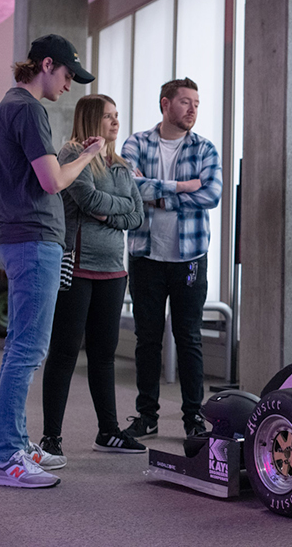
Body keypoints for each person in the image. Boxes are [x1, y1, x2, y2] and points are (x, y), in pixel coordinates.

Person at [0, 34, 101, 488]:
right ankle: (6, 456)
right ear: (47, 64)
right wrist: (87, 156)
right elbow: (52, 181)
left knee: (21, 348)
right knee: (28, 351)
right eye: (68, 74)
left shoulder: (14, 105)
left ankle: (13, 442)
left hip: (28, 239)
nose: (70, 85)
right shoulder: (27, 107)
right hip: (32, 239)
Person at [40, 95, 146, 459]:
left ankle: (109, 431)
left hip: (113, 271)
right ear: (90, 119)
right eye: (107, 117)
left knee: (104, 354)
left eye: (117, 116)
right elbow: (89, 201)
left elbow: (137, 216)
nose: (115, 123)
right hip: (78, 266)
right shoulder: (72, 155)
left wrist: (110, 213)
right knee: (66, 351)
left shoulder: (120, 164)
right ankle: (51, 437)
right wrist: (114, 209)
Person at [121, 78, 222, 439]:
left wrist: (158, 194)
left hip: (190, 257)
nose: (193, 109)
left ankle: (194, 418)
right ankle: (146, 415)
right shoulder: (136, 143)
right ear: (165, 104)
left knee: (188, 338)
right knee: (147, 339)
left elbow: (211, 195)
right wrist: (181, 187)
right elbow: (128, 187)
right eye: (185, 102)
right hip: (146, 255)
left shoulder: (205, 149)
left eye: (196, 102)